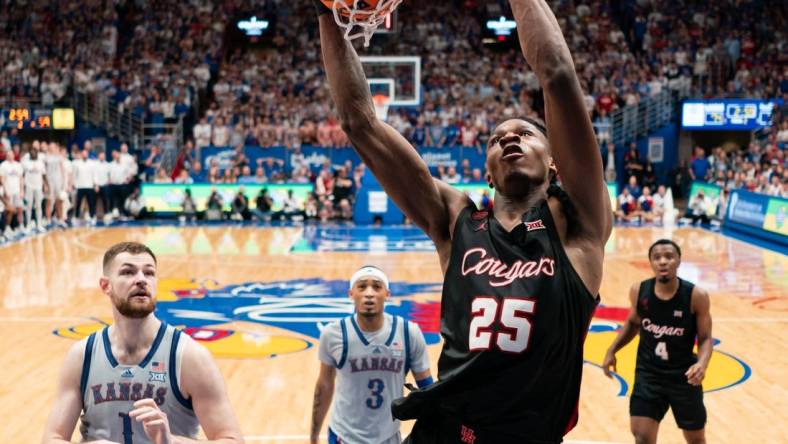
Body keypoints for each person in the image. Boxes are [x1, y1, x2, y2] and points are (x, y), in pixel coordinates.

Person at [316, 0, 613, 441]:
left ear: (555, 165)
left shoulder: (580, 228)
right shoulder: (457, 223)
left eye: (525, 134)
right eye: (496, 139)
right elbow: (359, 122)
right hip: (444, 431)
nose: (509, 138)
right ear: (488, 173)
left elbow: (557, 74)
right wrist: (326, 14)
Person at [42, 242, 243, 443]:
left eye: (148, 273)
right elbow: (52, 438)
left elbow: (232, 439)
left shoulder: (189, 356)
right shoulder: (82, 355)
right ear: (106, 286)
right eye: (128, 272)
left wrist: (171, 441)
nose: (141, 280)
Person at [603, 239, 712, 444]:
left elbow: (705, 338)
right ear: (651, 262)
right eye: (657, 257)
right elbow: (633, 323)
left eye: (669, 257)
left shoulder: (696, 296)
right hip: (649, 373)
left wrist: (702, 364)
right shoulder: (639, 291)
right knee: (642, 436)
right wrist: (612, 350)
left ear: (678, 261)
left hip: (684, 376)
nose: (663, 261)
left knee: (696, 439)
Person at [310, 265, 432, 444]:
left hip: (389, 437)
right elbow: (324, 385)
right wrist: (314, 436)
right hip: (343, 436)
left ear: (387, 294)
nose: (369, 293)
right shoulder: (334, 334)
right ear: (351, 293)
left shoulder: (408, 332)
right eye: (362, 287)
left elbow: (427, 388)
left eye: (376, 286)